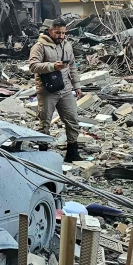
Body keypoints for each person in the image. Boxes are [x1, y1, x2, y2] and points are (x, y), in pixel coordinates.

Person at [29, 18, 83, 162]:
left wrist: (77, 86)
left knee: (72, 119)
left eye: (63, 33)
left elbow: (72, 66)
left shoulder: (67, 45)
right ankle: (43, 154)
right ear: (50, 31)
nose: (61, 36)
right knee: (45, 121)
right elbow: (33, 66)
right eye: (58, 33)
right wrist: (53, 66)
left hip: (65, 89)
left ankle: (72, 152)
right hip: (47, 91)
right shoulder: (40, 46)